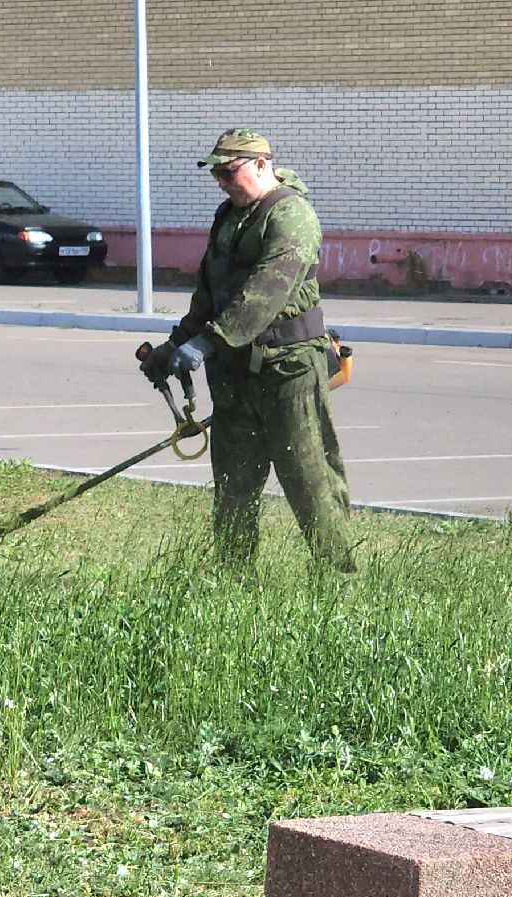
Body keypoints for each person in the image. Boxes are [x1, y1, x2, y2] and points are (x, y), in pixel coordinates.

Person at [140, 129, 357, 572]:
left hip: (289, 372)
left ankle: (343, 583)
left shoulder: (292, 215)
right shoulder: (227, 217)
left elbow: (265, 293)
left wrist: (207, 343)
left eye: (228, 170)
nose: (221, 180)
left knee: (310, 483)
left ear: (261, 164)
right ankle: (234, 582)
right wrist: (175, 344)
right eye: (216, 172)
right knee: (234, 487)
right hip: (235, 375)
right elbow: (209, 296)